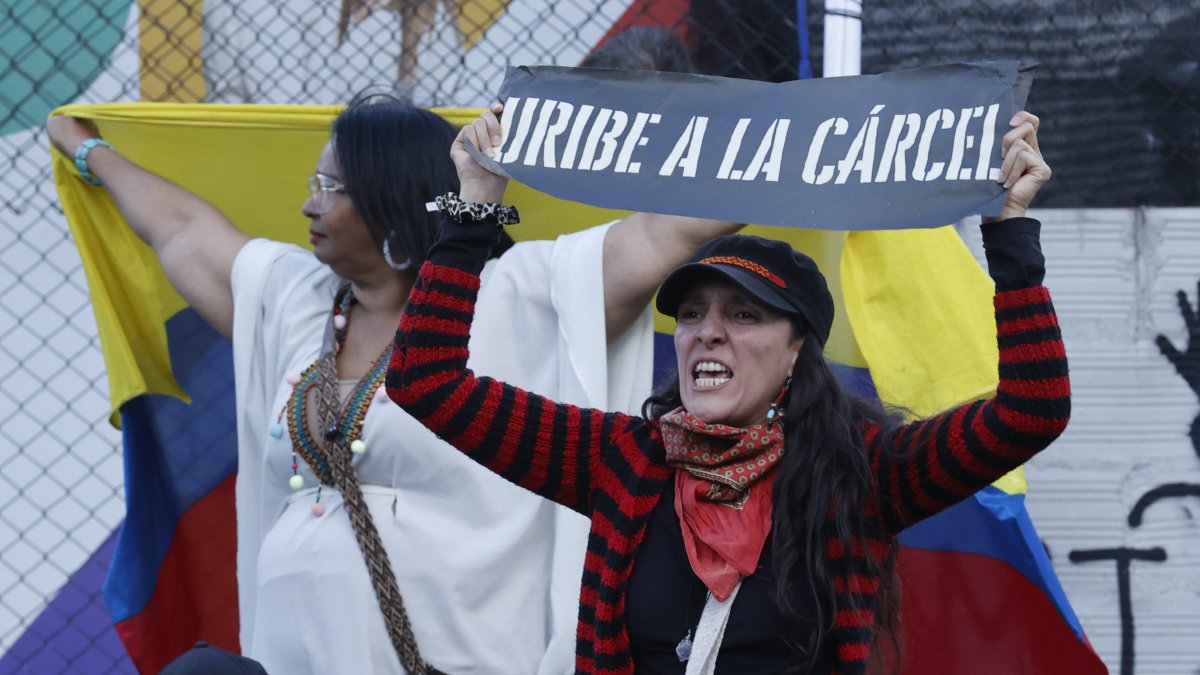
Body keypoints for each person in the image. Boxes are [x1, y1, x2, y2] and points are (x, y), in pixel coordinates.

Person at [46, 94, 740, 672]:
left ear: (389, 196)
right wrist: (86, 150)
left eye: (329, 187)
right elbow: (184, 230)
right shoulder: (300, 301)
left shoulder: (519, 292)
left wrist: (800, 150)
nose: (307, 205)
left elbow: (666, 235)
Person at [387, 110, 1068, 674]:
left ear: (798, 347)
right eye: (690, 314)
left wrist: (1010, 236)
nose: (707, 333)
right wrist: (472, 207)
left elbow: (1030, 411)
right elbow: (425, 379)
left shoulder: (859, 474)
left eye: (743, 316)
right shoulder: (622, 460)